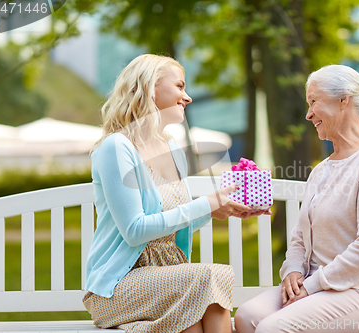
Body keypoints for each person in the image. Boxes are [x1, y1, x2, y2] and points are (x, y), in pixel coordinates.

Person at [82, 54, 269, 333]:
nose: (188, 96)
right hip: (118, 285)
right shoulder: (116, 148)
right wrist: (204, 204)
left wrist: (213, 211)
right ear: (150, 87)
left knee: (194, 316)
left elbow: (170, 225)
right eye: (179, 86)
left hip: (170, 278)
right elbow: (135, 230)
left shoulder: (171, 148)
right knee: (210, 276)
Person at [234, 65, 359, 333]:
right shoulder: (321, 170)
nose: (308, 114)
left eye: (313, 101)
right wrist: (292, 270)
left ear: (343, 100)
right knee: (246, 317)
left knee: (272, 329)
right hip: (317, 284)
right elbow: (301, 235)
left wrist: (311, 286)